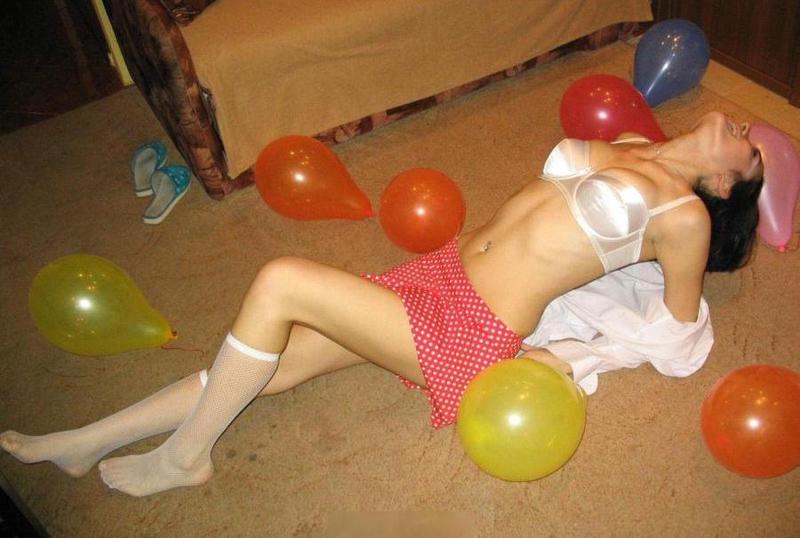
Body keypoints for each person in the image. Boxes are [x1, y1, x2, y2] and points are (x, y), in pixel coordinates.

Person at [1, 111, 763, 497]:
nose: (744, 128)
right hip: (436, 274)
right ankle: (86, 440)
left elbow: (677, 329)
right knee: (273, 363)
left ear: (727, 184)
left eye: (752, 147)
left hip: (471, 329)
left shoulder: (684, 219)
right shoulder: (628, 140)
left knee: (281, 280)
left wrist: (573, 352)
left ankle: (183, 458)